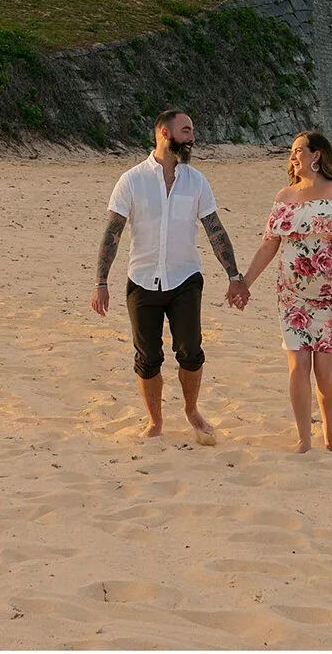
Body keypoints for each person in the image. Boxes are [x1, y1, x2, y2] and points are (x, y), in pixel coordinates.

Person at [90, 109, 246, 444]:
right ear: (164, 133)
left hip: (185, 278)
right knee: (148, 358)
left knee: (190, 350)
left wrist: (234, 275)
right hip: (142, 280)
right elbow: (112, 233)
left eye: (192, 131)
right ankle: (155, 421)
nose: (192, 137)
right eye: (186, 130)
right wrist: (101, 282)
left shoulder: (197, 181)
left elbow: (215, 230)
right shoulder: (132, 180)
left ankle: (191, 410)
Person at [238, 130, 332, 453]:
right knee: (297, 366)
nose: (293, 157)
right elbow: (269, 246)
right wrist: (244, 282)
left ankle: (329, 430)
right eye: (292, 152)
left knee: (325, 372)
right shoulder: (284, 198)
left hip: (329, 298)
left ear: (317, 156)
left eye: (299, 151)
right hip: (291, 297)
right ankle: (303, 437)